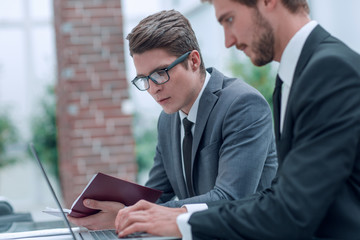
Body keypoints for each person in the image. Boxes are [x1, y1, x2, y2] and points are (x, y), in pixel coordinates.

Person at [114, 0, 360, 239]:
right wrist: (124, 213)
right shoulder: (290, 78)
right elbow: (277, 196)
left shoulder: (329, 69)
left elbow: (291, 210)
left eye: (229, 19)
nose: (228, 41)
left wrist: (179, 219)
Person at [68, 9, 278, 230]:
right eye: (144, 79)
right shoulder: (167, 121)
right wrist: (118, 213)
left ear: (194, 61)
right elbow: (156, 198)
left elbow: (231, 197)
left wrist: (141, 215)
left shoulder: (242, 105)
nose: (153, 89)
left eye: (160, 73)